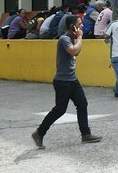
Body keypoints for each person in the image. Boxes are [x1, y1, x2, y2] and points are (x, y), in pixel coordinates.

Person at [31, 15, 102, 149]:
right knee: (59, 110)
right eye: (79, 24)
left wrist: (77, 38)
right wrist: (80, 37)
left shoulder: (70, 38)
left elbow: (76, 51)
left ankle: (86, 134)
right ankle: (39, 133)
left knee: (82, 104)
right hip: (62, 82)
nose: (82, 27)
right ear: (72, 27)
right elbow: (74, 51)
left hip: (72, 80)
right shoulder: (64, 39)